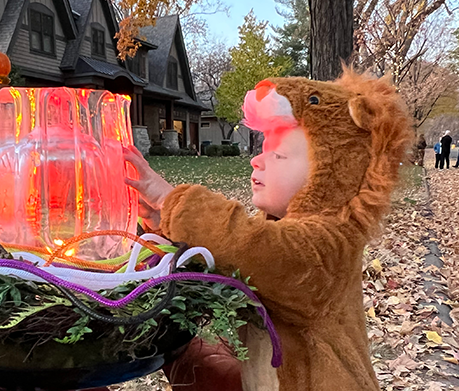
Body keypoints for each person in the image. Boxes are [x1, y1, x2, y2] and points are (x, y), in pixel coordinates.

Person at [124, 69, 411, 391]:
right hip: (268, 380)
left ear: (330, 174)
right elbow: (224, 262)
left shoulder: (328, 245)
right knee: (189, 354)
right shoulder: (286, 228)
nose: (256, 161)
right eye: (262, 149)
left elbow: (249, 246)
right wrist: (163, 226)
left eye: (278, 155)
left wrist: (172, 202)